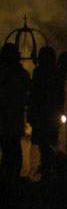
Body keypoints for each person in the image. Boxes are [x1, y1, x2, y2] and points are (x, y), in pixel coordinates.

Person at [27, 46, 62, 181]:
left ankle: (49, 173)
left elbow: (34, 95)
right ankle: (51, 173)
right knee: (48, 146)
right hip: (51, 116)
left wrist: (31, 115)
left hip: (41, 116)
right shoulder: (56, 74)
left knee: (45, 147)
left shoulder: (39, 72)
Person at [0, 43, 30, 181]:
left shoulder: (8, 73)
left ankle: (9, 183)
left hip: (7, 120)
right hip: (11, 119)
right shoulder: (20, 74)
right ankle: (11, 183)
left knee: (9, 153)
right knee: (13, 154)